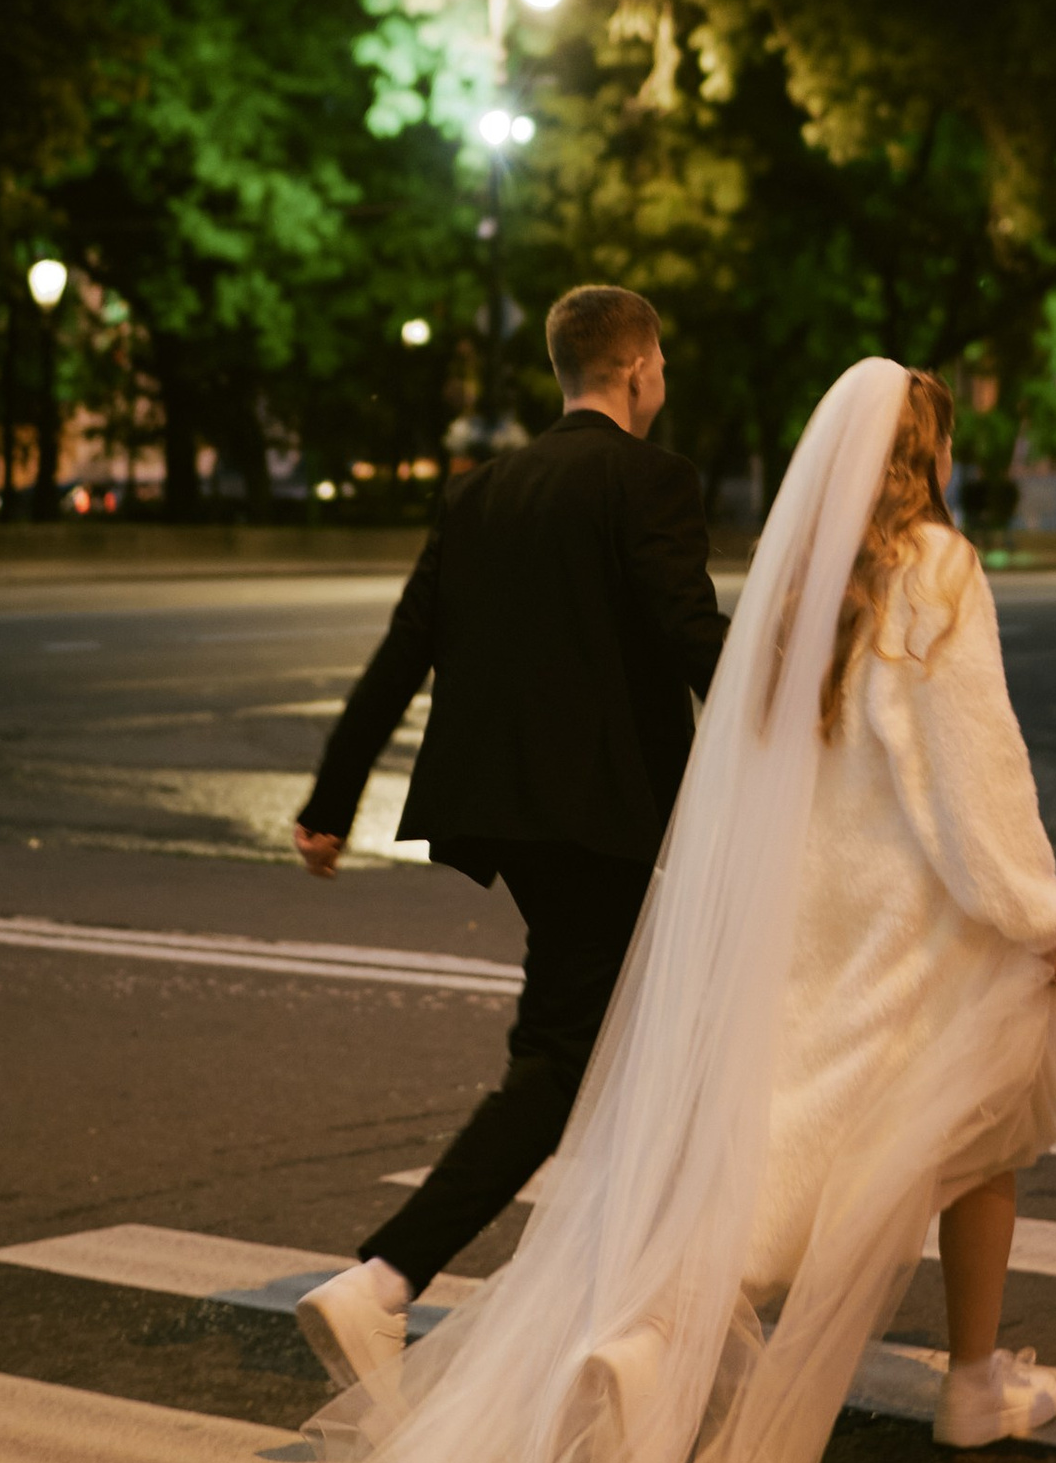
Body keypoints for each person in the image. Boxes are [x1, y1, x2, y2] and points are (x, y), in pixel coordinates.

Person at [195, 356, 1056, 1463]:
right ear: (931, 456)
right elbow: (968, 773)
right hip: (912, 912)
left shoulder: (801, 588)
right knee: (963, 1121)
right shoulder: (939, 571)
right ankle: (937, 1378)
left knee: (809, 1131)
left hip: (806, 910)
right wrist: (1044, 915)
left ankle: (670, 1330)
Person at [282, 282, 729, 1396]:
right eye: (660, 362)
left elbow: (404, 651)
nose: (662, 380)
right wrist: (801, 725)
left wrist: (330, 799)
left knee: (613, 1049)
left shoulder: (482, 493)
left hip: (508, 816)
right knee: (569, 1055)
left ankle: (612, 1302)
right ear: (635, 370)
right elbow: (690, 635)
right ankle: (389, 1277)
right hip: (607, 819)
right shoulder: (652, 480)